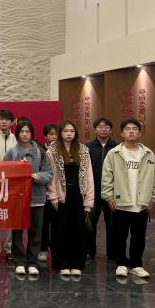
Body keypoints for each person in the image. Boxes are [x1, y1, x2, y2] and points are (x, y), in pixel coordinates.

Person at [101, 118, 155, 280]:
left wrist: (154, 197)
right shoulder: (114, 153)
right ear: (122, 133)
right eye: (128, 129)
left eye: (135, 129)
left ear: (139, 133)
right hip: (121, 202)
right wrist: (108, 196)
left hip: (141, 203)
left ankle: (136, 265)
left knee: (139, 236)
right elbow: (107, 176)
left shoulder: (148, 154)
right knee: (119, 235)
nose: (131, 131)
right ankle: (121, 263)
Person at [3, 120, 53, 277]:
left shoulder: (41, 152)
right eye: (22, 131)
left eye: (27, 131)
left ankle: (32, 262)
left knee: (35, 231)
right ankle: (18, 261)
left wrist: (37, 176)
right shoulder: (11, 153)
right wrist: (17, 171)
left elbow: (49, 173)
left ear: (32, 133)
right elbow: (4, 173)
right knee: (17, 231)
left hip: (37, 198)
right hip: (17, 199)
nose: (24, 134)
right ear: (17, 134)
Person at [47, 121, 94, 277]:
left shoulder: (83, 150)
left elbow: (89, 176)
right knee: (60, 231)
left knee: (78, 231)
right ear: (60, 133)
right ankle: (61, 264)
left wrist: (89, 201)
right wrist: (53, 196)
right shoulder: (52, 151)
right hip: (61, 196)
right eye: (66, 131)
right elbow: (51, 176)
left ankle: (77, 263)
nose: (69, 134)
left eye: (72, 131)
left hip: (78, 195)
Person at [85, 117, 118, 261]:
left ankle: (113, 253)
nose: (103, 129)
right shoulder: (87, 147)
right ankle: (89, 251)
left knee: (112, 223)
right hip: (93, 191)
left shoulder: (117, 148)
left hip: (112, 192)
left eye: (106, 127)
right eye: (100, 127)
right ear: (95, 129)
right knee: (90, 222)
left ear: (110, 130)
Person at [0, 109, 16, 259]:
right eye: (1, 119)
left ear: (12, 122)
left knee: (11, 217)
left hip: (12, 183)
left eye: (7, 119)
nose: (4, 121)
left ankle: (10, 249)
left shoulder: (16, 139)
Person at [38, 123, 60, 262]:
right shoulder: (39, 151)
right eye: (51, 134)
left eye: (56, 134)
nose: (54, 137)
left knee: (58, 223)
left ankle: (57, 249)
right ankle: (43, 249)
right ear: (45, 136)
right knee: (44, 223)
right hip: (43, 192)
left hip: (59, 193)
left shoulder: (64, 150)